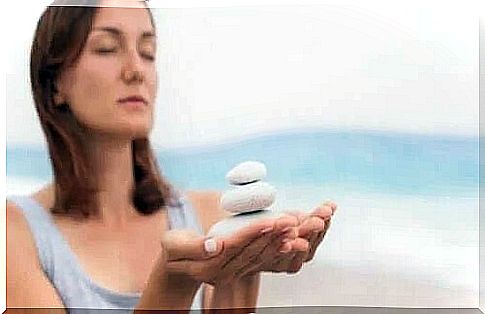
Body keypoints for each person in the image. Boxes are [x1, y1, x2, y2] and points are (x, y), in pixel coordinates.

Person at [6, 0, 338, 312]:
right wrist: (175, 280)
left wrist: (242, 273)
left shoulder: (210, 217)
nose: (136, 70)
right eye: (107, 48)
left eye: (148, 52)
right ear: (54, 85)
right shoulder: (15, 232)